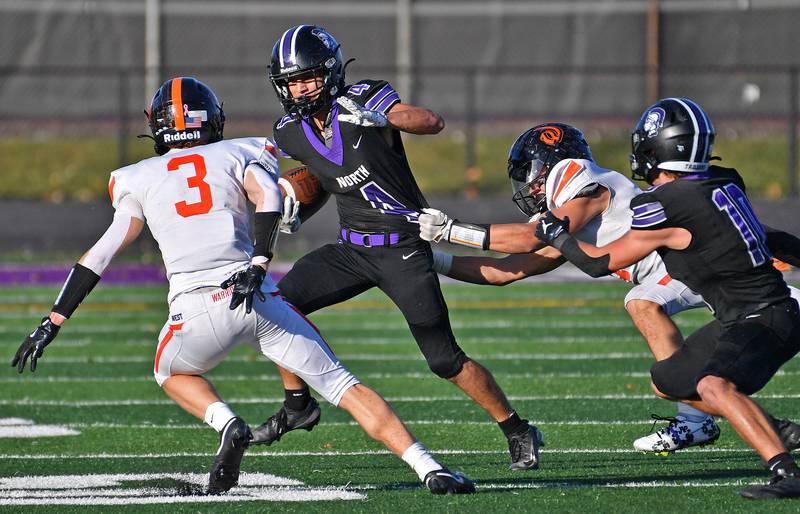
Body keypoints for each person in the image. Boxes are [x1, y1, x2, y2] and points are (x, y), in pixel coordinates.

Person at [10, 77, 475, 496]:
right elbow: (268, 197)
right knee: (343, 385)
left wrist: (53, 321)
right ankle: (429, 467)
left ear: (159, 125)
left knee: (169, 373)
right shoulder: (241, 151)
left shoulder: (136, 177)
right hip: (254, 296)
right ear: (212, 119)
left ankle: (227, 423)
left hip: (193, 311)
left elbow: (100, 254)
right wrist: (258, 261)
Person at [256, 24, 543, 471]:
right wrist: (296, 204)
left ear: (330, 73)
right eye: (293, 81)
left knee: (444, 360)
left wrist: (383, 116)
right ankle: (298, 405)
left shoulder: (365, 98)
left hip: (403, 249)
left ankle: (517, 428)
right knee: (274, 305)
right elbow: (324, 174)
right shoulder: (288, 130)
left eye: (309, 77)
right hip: (351, 250)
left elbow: (430, 121)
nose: (302, 88)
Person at [417, 122, 800, 454]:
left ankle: (698, 419)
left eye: (530, 172)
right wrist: (436, 260)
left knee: (643, 301)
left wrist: (451, 230)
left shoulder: (588, 184)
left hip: (691, 265)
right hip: (686, 271)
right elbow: (508, 270)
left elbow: (527, 238)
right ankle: (712, 416)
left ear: (551, 164)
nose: (528, 184)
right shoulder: (575, 218)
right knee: (656, 333)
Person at [534, 98, 800, 499]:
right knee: (669, 379)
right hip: (747, 314)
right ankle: (779, 430)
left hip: (763, 315)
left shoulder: (667, 205)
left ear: (654, 150)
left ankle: (786, 472)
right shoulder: (722, 181)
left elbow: (598, 263)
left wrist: (558, 236)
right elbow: (772, 237)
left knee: (713, 385)